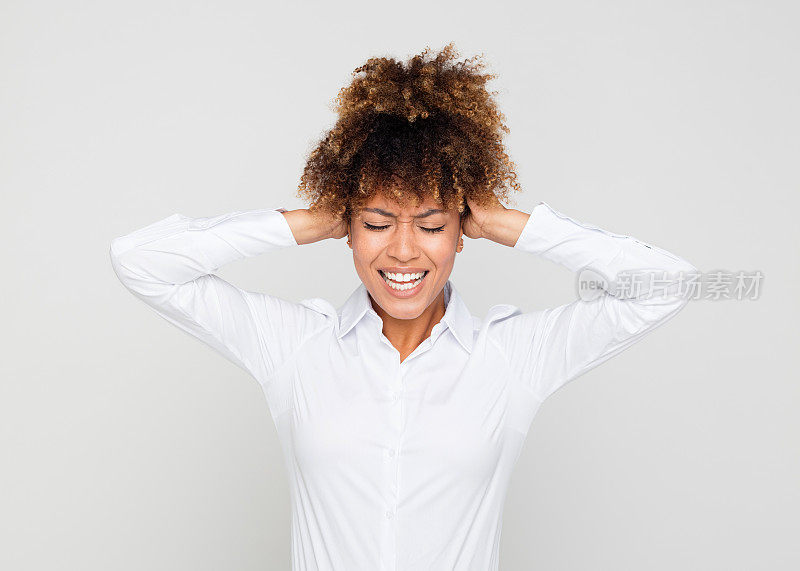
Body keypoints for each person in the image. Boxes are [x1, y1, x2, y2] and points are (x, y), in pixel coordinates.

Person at [109, 43, 696, 571]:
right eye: (377, 222)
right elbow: (142, 262)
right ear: (349, 227)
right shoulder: (293, 347)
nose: (404, 249)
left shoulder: (513, 357)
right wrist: (308, 221)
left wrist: (505, 222)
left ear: (460, 231)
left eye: (432, 224)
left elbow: (669, 282)